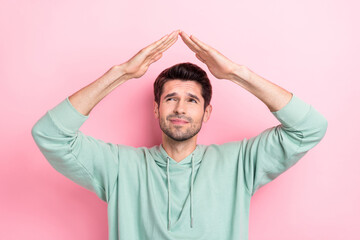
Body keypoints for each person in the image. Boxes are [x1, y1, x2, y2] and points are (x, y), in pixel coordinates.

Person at [31, 29, 328, 240]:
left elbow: (309, 127)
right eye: (170, 98)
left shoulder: (239, 162)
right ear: (156, 109)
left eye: (192, 100)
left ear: (206, 113)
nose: (180, 108)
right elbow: (50, 134)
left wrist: (236, 73)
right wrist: (121, 73)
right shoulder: (120, 166)